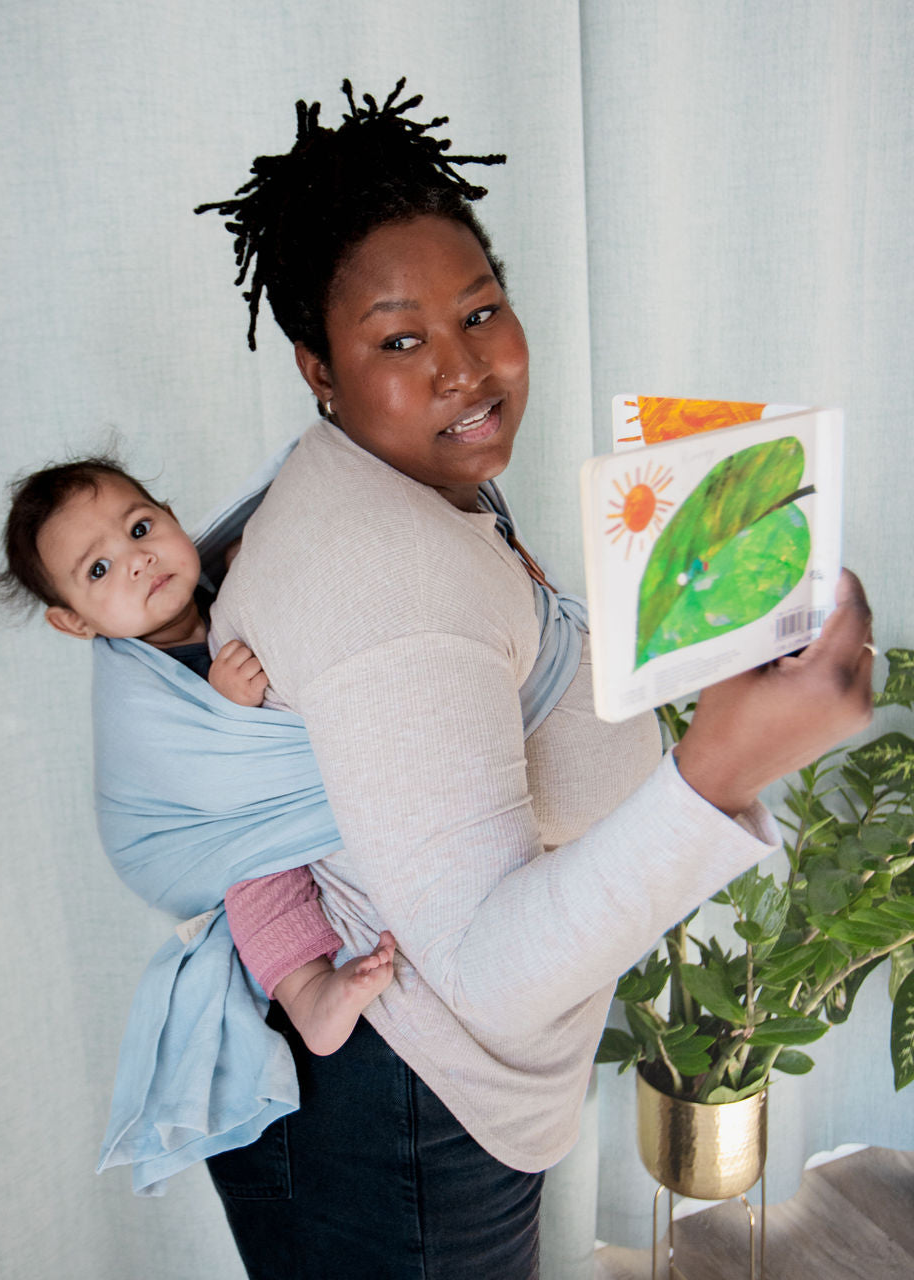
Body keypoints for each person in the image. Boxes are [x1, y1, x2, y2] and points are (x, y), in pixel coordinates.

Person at [190, 79, 875, 1279]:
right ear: (316, 367)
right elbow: (492, 974)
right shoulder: (382, 579)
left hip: (413, 1097)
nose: (464, 369)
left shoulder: (409, 480)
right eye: (399, 339)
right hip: (401, 1112)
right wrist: (717, 767)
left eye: (481, 310)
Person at [0, 455, 395, 1056]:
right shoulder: (135, 695)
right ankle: (310, 997)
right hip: (203, 838)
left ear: (173, 518)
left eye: (141, 529)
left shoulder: (219, 592)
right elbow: (194, 772)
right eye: (100, 569)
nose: (137, 560)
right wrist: (225, 713)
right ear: (74, 622)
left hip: (258, 813)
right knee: (258, 889)